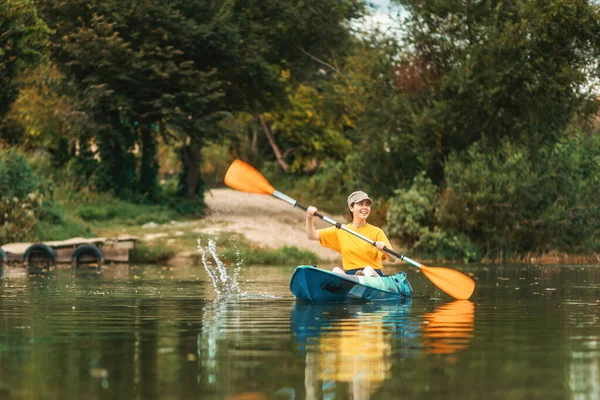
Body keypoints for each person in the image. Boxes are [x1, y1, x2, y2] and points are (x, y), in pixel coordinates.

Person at [305, 190, 395, 277]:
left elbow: (393, 259)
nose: (365, 207)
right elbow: (312, 235)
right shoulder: (342, 230)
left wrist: (385, 250)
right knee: (336, 270)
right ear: (351, 208)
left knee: (367, 269)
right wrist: (309, 218)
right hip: (350, 277)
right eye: (360, 204)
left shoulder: (377, 232)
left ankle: (362, 280)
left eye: (367, 205)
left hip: (372, 275)